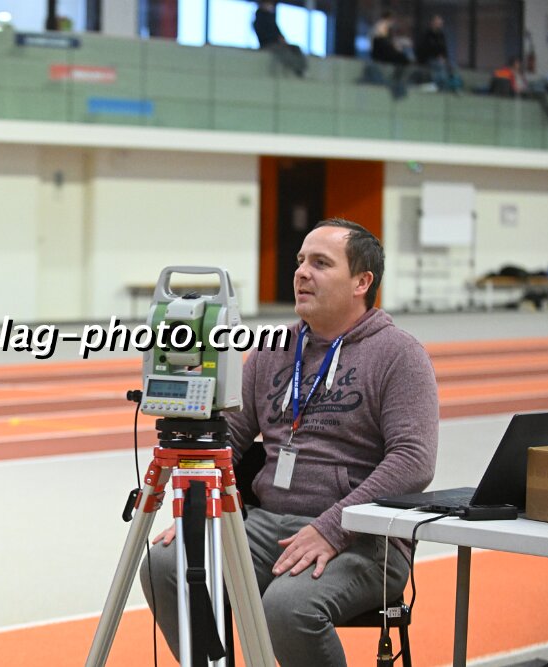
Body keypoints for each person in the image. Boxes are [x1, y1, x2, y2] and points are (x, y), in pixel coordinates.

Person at [141, 219, 439, 667]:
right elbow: (229, 437)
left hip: (363, 537)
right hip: (267, 525)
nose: (301, 272)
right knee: (164, 564)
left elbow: (413, 461)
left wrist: (332, 528)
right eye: (301, 261)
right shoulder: (272, 349)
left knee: (286, 608)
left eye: (320, 263)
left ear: (361, 282)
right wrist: (198, 508)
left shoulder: (399, 355)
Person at [253, 2, 307, 78]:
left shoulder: (271, 19)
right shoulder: (258, 21)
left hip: (278, 43)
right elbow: (264, 35)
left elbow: (278, 32)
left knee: (296, 48)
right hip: (268, 44)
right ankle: (295, 67)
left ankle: (301, 68)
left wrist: (282, 39)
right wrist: (276, 39)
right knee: (284, 51)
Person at [415, 14, 459, 92]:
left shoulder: (441, 35)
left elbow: (444, 49)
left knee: (451, 66)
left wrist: (444, 59)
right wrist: (437, 56)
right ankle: (439, 86)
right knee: (439, 65)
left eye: (440, 23)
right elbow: (424, 48)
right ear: (432, 23)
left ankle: (451, 86)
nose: (439, 25)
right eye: (437, 23)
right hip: (428, 58)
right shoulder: (426, 34)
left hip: (439, 59)